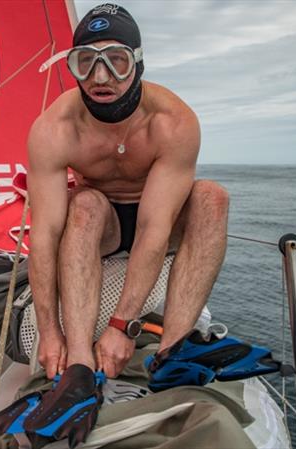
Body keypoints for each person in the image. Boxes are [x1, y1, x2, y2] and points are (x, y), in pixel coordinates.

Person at [28, 3, 229, 381]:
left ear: (137, 63)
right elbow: (44, 234)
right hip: (102, 225)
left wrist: (122, 325)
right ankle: (79, 361)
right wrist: (50, 333)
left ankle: (172, 350)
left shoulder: (173, 121)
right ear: (71, 65)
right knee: (84, 202)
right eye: (85, 62)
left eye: (116, 61)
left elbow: (154, 229)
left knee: (211, 197)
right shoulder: (54, 129)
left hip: (160, 221)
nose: (99, 77)